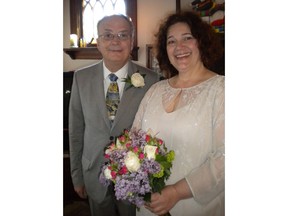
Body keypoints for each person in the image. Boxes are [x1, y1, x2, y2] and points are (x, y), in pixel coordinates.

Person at [132, 11, 224, 216]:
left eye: (187, 38)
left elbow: (226, 157)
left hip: (195, 205)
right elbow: (133, 141)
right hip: (151, 205)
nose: (179, 47)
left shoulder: (222, 90)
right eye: (171, 41)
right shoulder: (155, 90)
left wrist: (175, 192)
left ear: (202, 41)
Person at [69, 14, 159, 216]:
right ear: (98, 42)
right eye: (108, 35)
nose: (115, 41)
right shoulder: (81, 78)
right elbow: (76, 131)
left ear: (132, 40)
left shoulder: (152, 80)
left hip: (134, 177)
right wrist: (77, 176)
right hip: (93, 171)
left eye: (123, 35)